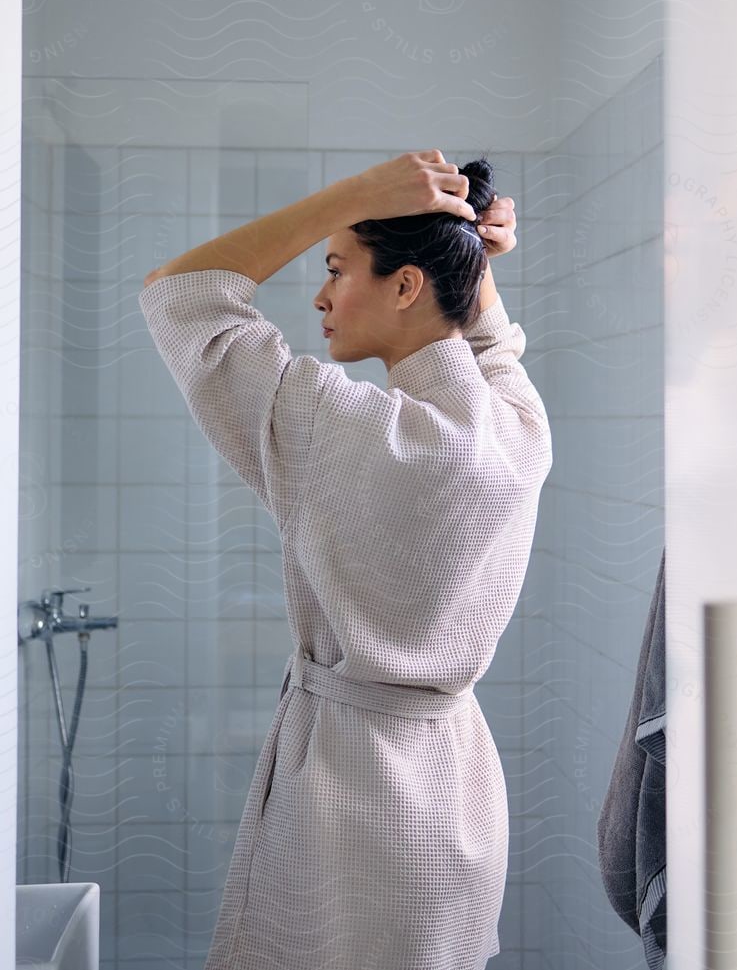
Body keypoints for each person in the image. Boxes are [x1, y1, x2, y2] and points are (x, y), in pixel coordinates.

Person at [138, 150, 551, 970]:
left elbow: (181, 296)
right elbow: (491, 346)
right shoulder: (518, 426)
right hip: (459, 798)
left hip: (349, 792)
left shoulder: (340, 424)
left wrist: (358, 194)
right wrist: (464, 256)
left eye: (336, 267)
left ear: (404, 286)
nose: (320, 296)